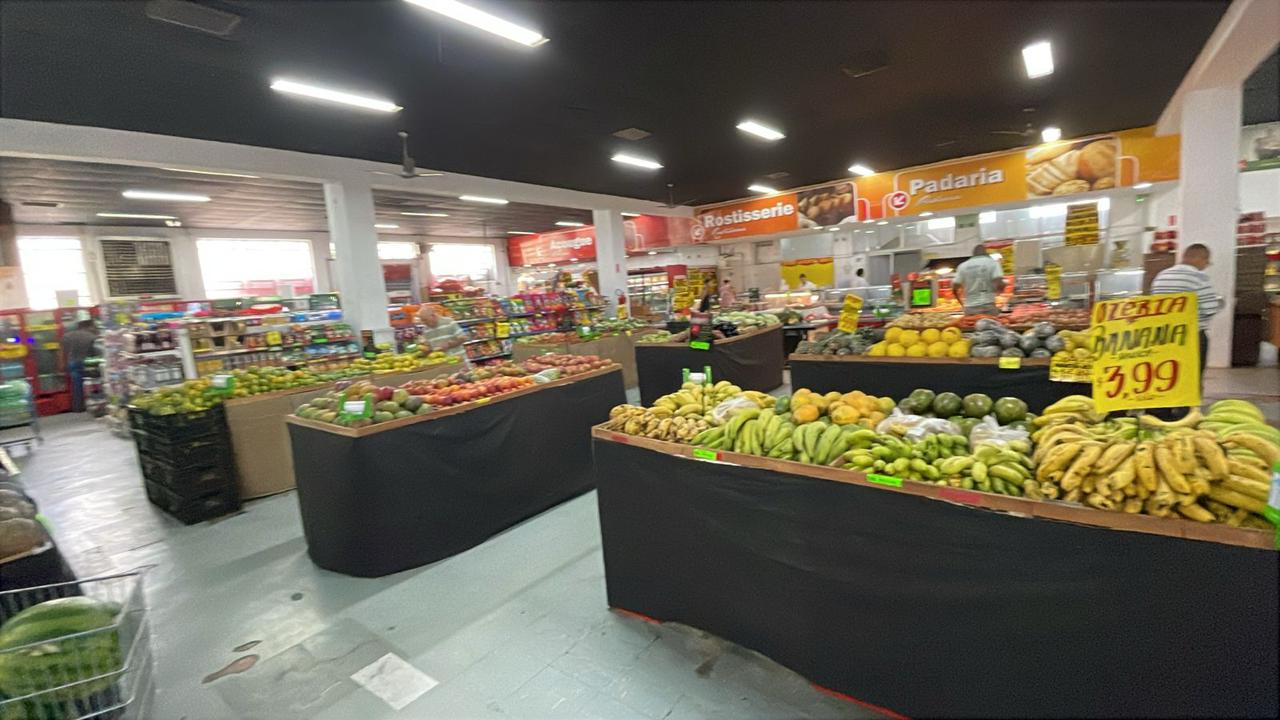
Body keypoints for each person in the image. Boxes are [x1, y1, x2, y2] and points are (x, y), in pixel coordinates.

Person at [1150, 243, 1221, 397]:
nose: (1205, 266)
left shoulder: (1161, 276)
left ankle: (1163, 407)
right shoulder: (1199, 277)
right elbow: (1210, 308)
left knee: (1166, 375)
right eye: (1207, 262)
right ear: (1201, 259)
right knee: (1190, 378)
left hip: (1164, 337)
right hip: (1191, 336)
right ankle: (1184, 409)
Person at [952, 244, 1005, 315]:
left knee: (970, 322)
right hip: (988, 306)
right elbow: (999, 282)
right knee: (991, 321)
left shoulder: (962, 266)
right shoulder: (993, 263)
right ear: (985, 253)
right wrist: (998, 291)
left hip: (970, 308)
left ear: (973, 254)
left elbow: (955, 287)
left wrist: (962, 304)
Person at [60, 319, 99, 412]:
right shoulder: (92, 336)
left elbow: (62, 352)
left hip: (72, 363)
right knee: (92, 383)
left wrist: (62, 365)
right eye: (93, 327)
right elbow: (96, 352)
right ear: (88, 326)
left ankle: (78, 407)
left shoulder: (66, 336)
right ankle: (93, 404)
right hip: (88, 363)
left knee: (77, 386)